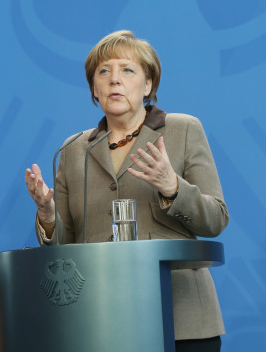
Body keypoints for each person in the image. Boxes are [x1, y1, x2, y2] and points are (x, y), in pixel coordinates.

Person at [24, 30, 228, 351]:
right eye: (104, 71)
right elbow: (64, 247)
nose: (114, 80)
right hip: (100, 319)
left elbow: (215, 218)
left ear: (148, 85)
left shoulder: (182, 129)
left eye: (127, 70)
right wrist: (48, 216)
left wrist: (172, 187)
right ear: (94, 86)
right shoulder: (74, 150)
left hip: (181, 319)